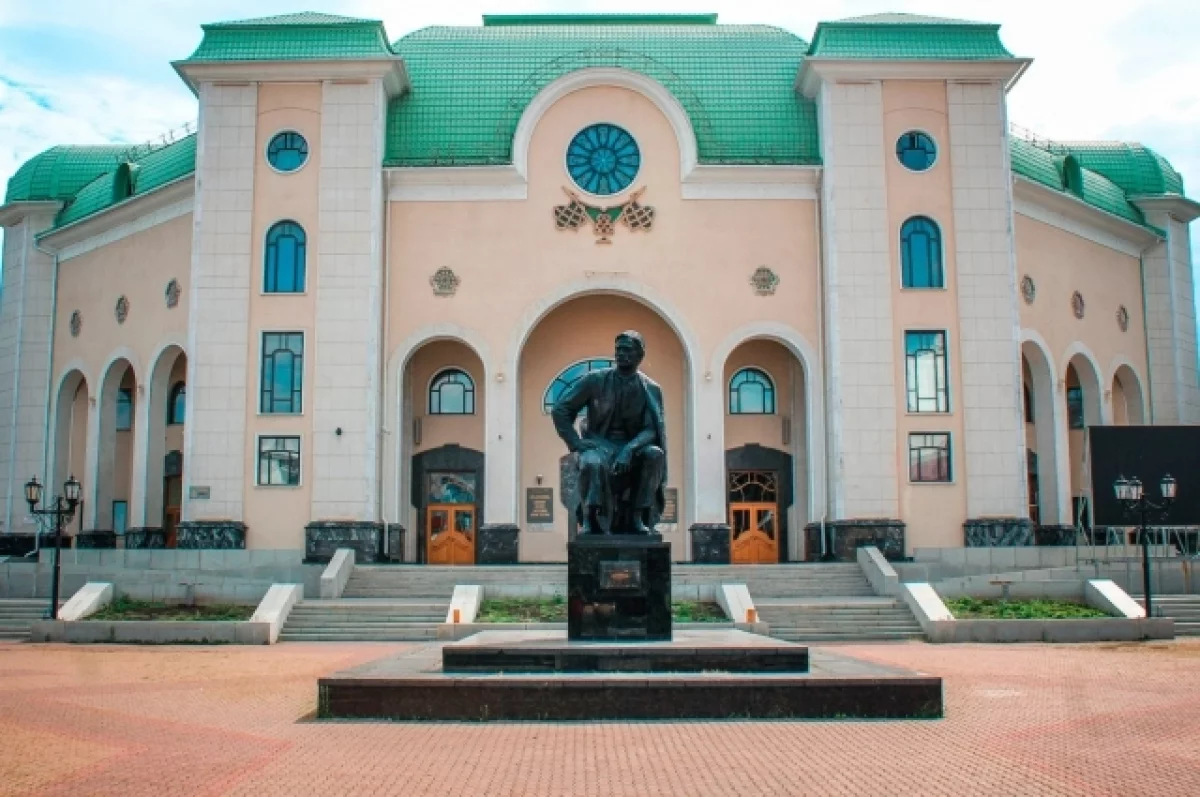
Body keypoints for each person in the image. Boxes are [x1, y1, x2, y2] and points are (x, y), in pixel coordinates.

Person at [551, 330, 667, 534]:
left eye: (627, 350)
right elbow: (561, 409)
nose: (621, 354)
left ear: (640, 355)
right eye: (618, 349)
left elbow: (651, 429)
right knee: (592, 463)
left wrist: (630, 449)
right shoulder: (594, 380)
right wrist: (576, 442)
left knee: (655, 455)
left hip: (633, 446)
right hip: (599, 444)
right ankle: (590, 519)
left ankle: (637, 516)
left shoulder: (650, 388)